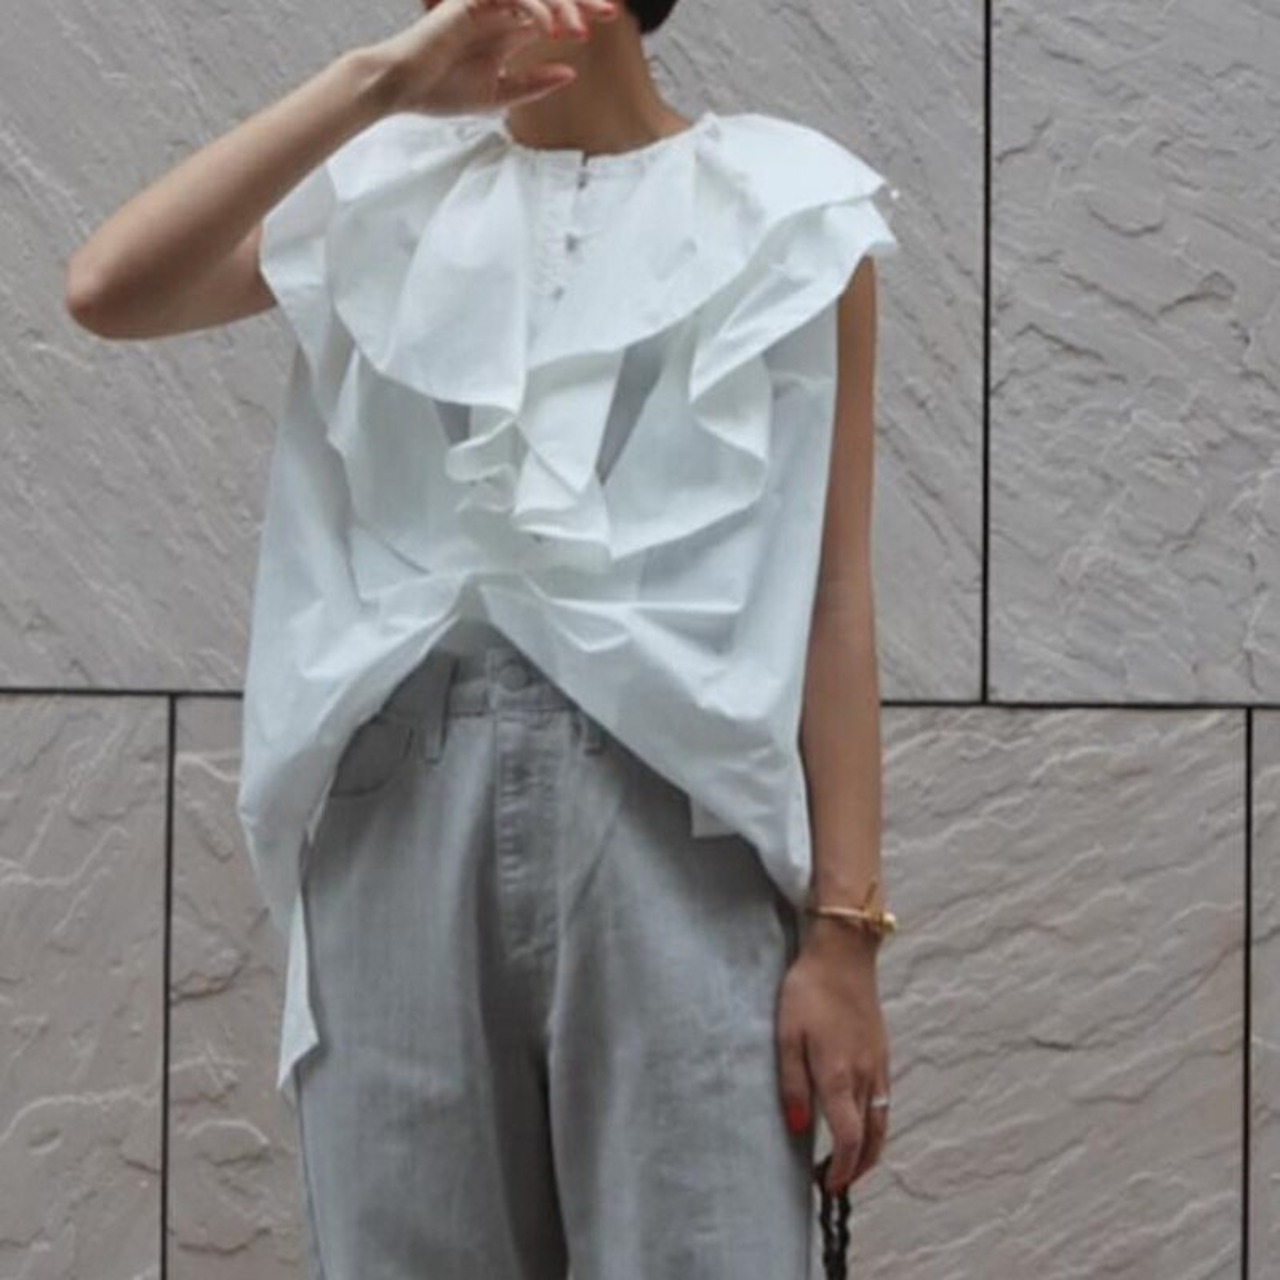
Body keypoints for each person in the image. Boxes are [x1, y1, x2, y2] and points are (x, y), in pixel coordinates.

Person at [64, 1, 900, 1275]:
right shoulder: (384, 186)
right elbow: (108, 288)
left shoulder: (791, 210)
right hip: (400, 808)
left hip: (678, 833)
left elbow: (833, 594)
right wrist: (381, 83)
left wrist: (842, 935)